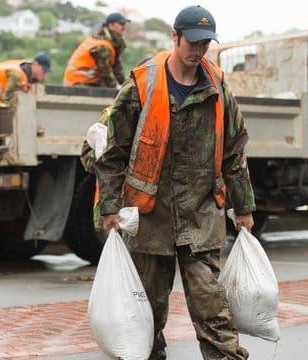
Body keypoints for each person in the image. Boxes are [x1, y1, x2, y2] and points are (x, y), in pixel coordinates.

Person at [93, 5, 255, 360]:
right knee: (146, 313)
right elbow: (112, 150)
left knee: (213, 308)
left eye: (205, 44)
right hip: (150, 219)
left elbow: (234, 150)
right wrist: (109, 209)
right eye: (192, 43)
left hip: (200, 215)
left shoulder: (217, 85)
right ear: (175, 36)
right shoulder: (142, 83)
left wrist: (243, 207)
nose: (198, 51)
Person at [0, 52, 51, 137]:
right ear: (35, 64)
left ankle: (32, 129)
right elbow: (7, 97)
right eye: (43, 70)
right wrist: (14, 107)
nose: (44, 73)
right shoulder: (17, 75)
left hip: (7, 88)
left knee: (24, 107)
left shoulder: (34, 76)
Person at [63, 12, 130, 87]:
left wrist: (126, 85)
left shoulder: (104, 42)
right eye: (122, 24)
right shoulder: (102, 46)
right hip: (78, 84)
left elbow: (116, 68)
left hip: (80, 82)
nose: (124, 27)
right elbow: (105, 72)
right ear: (111, 25)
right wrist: (117, 88)